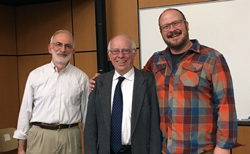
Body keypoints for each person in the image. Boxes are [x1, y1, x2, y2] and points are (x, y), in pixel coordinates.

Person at [143, 8, 239, 154]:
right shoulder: (156, 61)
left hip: (202, 150)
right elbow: (134, 82)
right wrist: (100, 81)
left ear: (187, 25)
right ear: (161, 32)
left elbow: (226, 104)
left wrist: (224, 146)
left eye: (176, 23)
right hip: (165, 150)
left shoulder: (212, 58)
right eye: (166, 26)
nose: (172, 29)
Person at [13, 30, 89, 154]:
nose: (63, 49)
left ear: (73, 51)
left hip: (70, 137)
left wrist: (90, 146)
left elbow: (87, 115)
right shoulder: (35, 75)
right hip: (40, 137)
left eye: (68, 46)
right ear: (50, 48)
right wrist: (21, 147)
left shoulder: (81, 78)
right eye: (58, 44)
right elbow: (25, 111)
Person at [84, 34, 162, 154]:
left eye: (126, 51)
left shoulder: (148, 81)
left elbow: (155, 126)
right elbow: (90, 128)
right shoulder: (99, 83)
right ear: (109, 55)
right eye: (115, 51)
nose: (120, 55)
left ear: (134, 53)